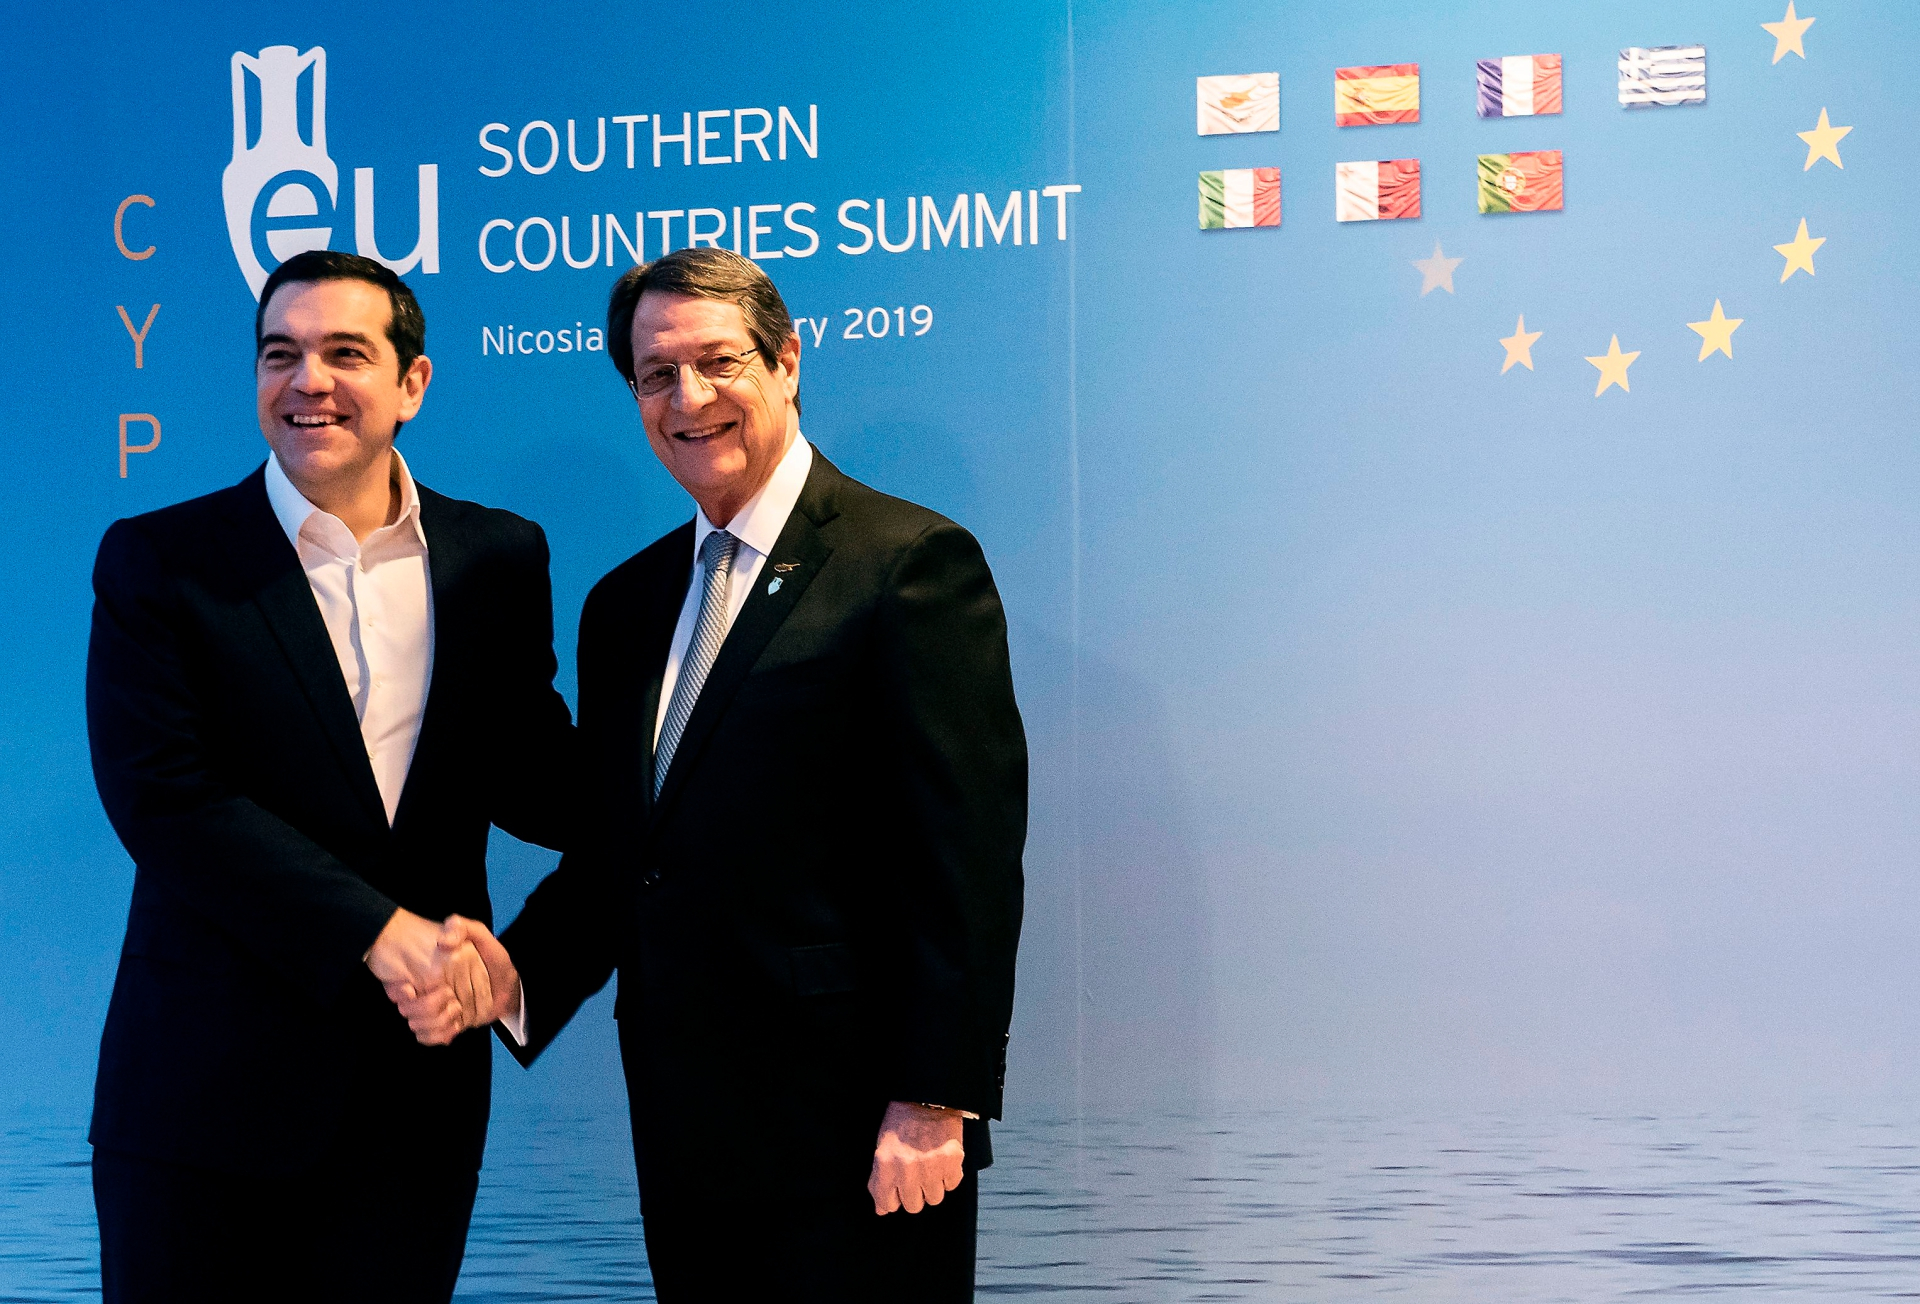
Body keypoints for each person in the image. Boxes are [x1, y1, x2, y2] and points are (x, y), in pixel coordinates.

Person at [443, 248, 1027, 1299]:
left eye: (719, 362)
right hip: (685, 1126)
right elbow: (630, 849)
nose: (689, 398)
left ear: (787, 360)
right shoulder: (625, 604)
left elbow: (965, 859)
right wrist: (514, 977)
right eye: (656, 375)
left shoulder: (907, 562)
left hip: (863, 1127)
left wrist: (934, 1097)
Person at [85, 250, 573, 1303]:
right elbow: (163, 796)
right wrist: (376, 928)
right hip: (201, 1098)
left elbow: (537, 779)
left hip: (415, 1099)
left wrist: (706, 752)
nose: (308, 380)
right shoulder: (161, 559)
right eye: (280, 354)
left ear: (412, 383)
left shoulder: (497, 557)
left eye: (345, 352)